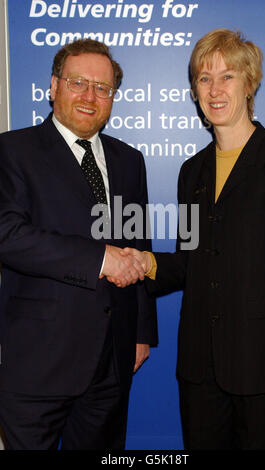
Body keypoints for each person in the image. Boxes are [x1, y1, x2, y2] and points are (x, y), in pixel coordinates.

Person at [119, 29, 265, 450]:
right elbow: (190, 259)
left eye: (227, 76)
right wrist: (144, 262)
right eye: (204, 78)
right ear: (195, 90)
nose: (214, 89)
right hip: (199, 369)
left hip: (262, 367)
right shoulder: (191, 172)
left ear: (249, 84)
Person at [0, 39, 157, 450]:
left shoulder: (129, 160)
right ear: (54, 86)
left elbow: (138, 242)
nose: (90, 96)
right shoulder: (11, 151)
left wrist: (140, 332)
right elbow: (8, 235)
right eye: (78, 82)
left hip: (111, 360)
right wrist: (99, 259)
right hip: (38, 361)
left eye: (102, 88)